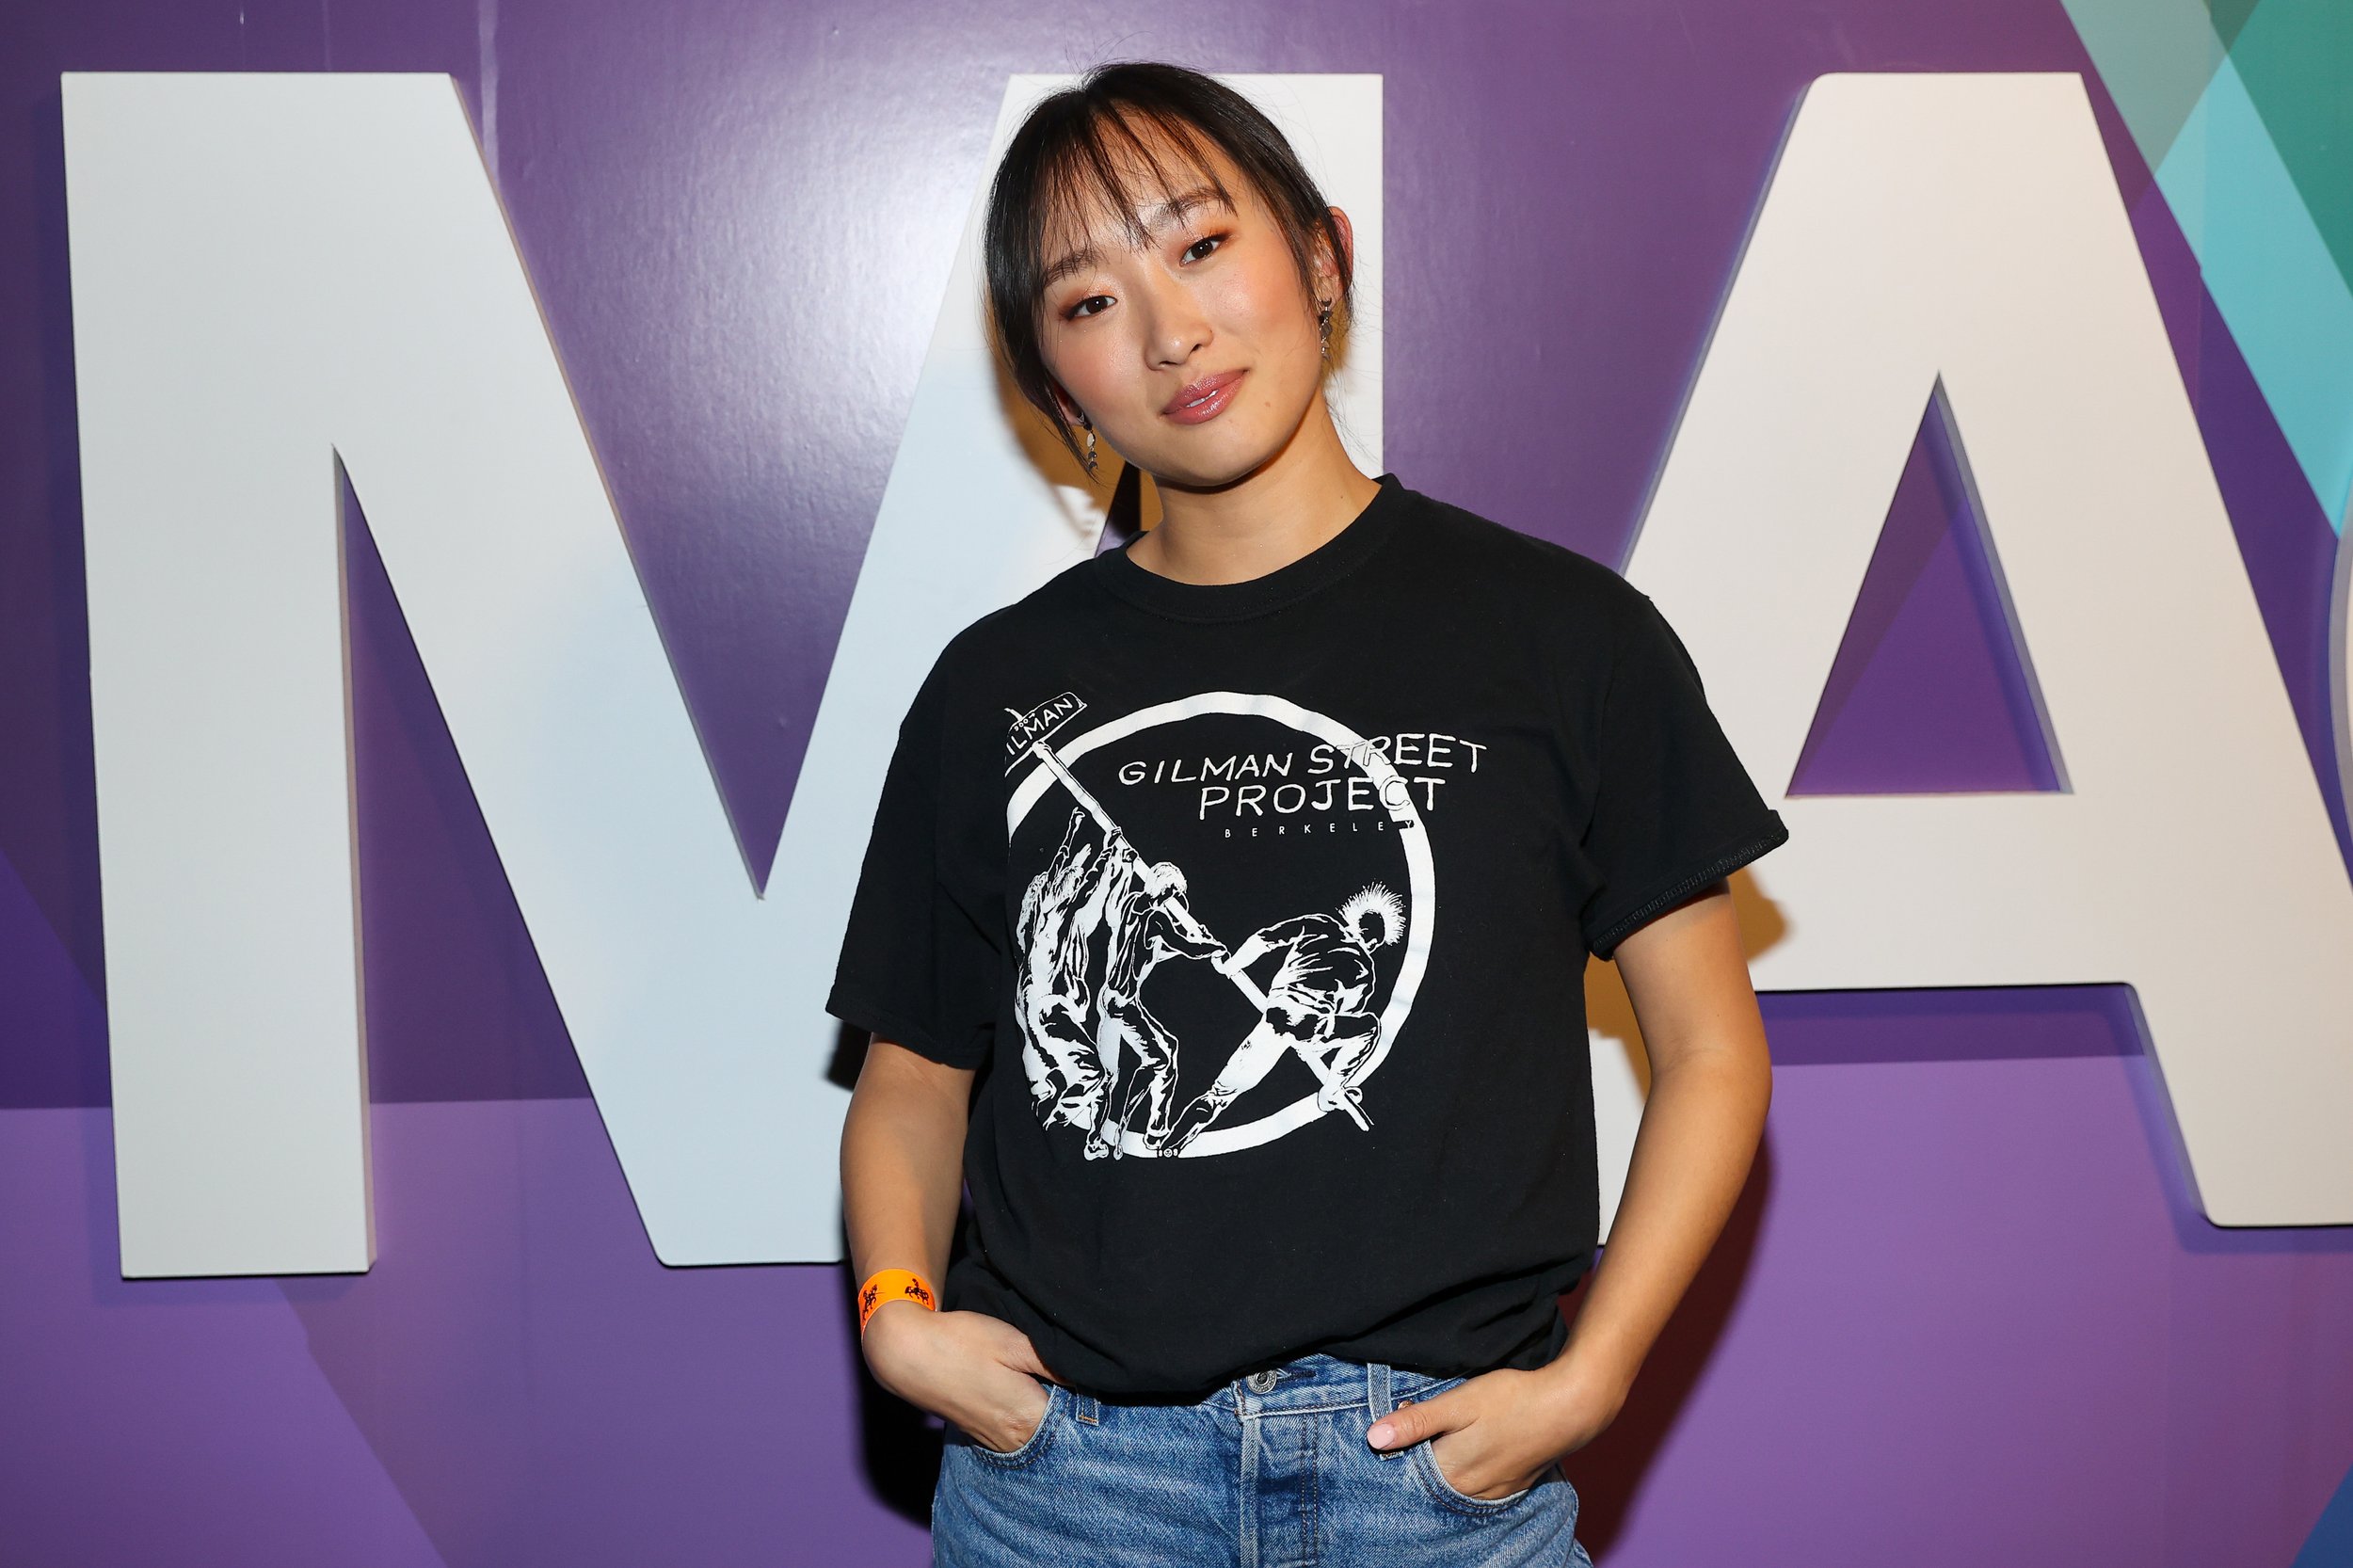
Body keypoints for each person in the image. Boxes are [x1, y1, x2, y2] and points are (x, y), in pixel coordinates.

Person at [831, 60, 1790, 1567]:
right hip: (1074, 1486)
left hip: (1435, 1484)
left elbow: (1716, 1052)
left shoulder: (1564, 636)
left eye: (1201, 245)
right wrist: (898, 1319)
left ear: (1322, 254)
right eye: (1088, 302)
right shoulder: (998, 686)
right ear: (1049, 375)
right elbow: (911, 1077)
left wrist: (1591, 1377)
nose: (1169, 330)